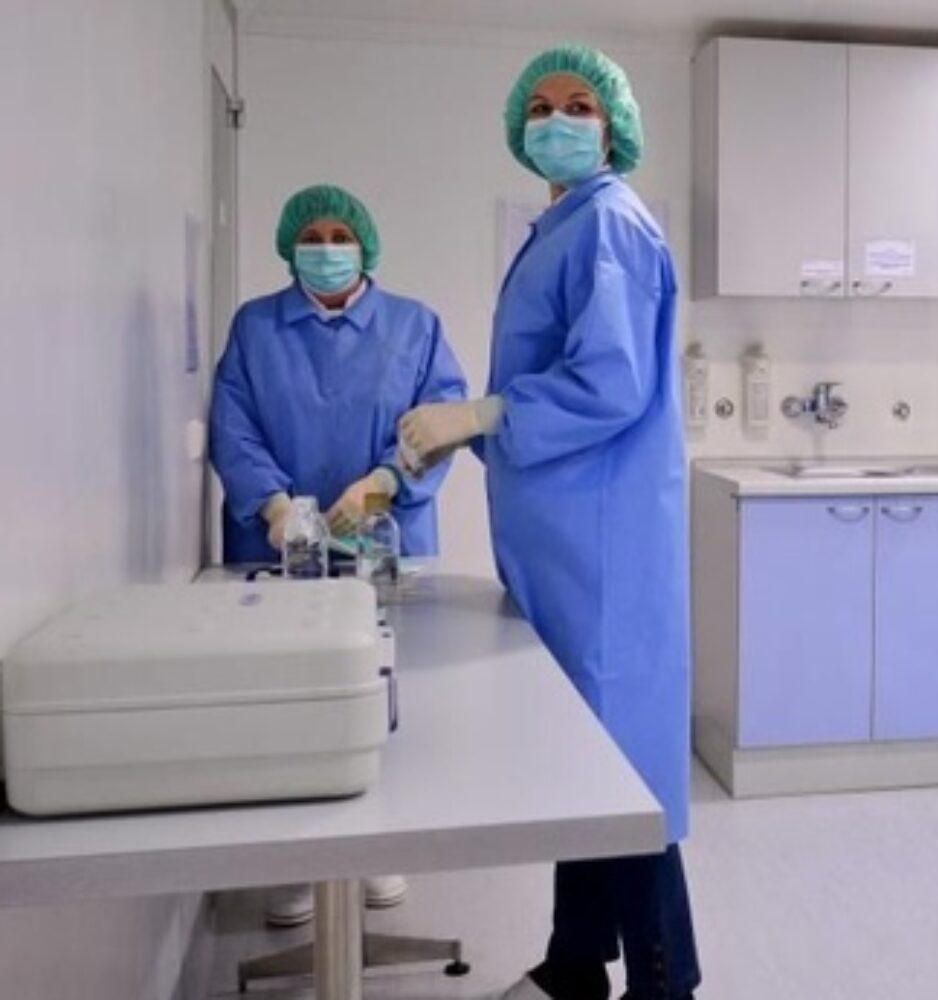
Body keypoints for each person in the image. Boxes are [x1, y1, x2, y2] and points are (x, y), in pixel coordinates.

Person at [397, 45, 699, 1000]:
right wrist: (472, 431)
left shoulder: (609, 222)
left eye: (579, 106)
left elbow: (610, 383)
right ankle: (575, 962)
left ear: (613, 128)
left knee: (626, 773)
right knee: (585, 764)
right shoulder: (565, 225)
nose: (558, 120)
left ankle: (665, 984)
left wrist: (484, 415)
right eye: (540, 107)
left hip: (605, 551)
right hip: (572, 541)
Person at [209, 184, 468, 927]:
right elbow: (233, 426)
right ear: (289, 246)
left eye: (340, 236)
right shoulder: (256, 327)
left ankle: (382, 844)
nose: (326, 249)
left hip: (386, 545)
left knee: (387, 689)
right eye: (313, 237)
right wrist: (275, 507)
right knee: (286, 695)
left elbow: (440, 424)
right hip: (278, 550)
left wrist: (385, 482)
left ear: (366, 246)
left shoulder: (415, 326)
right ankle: (296, 859)